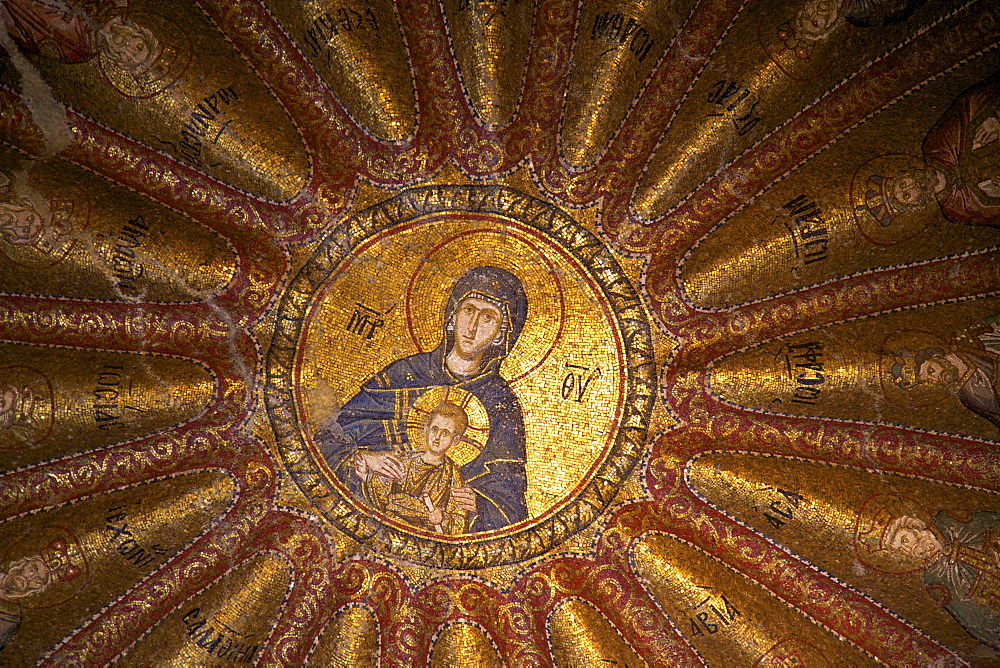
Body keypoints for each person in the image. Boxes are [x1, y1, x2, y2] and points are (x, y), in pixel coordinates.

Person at [317, 266, 529, 532]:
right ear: (453, 315)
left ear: (501, 333)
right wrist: (364, 459)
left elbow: (510, 497)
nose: (472, 327)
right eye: (468, 310)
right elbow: (327, 439)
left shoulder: (501, 403)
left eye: (488, 317)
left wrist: (482, 504)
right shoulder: (404, 373)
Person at [880, 510, 1000, 651]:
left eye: (904, 540)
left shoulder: (947, 522)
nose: (908, 548)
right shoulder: (933, 578)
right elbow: (970, 618)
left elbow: (987, 523)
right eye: (901, 549)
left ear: (916, 530)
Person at [361, 402, 471, 534]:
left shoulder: (453, 475)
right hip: (391, 530)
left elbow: (459, 523)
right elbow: (382, 498)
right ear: (426, 429)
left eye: (445, 433)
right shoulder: (404, 461)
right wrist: (368, 477)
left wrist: (442, 518)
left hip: (425, 539)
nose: (437, 437)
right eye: (434, 429)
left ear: (455, 440)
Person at [889, 313, 1000, 431]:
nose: (935, 378)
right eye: (929, 379)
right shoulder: (969, 397)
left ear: (935, 356)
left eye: (931, 370)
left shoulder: (969, 339)